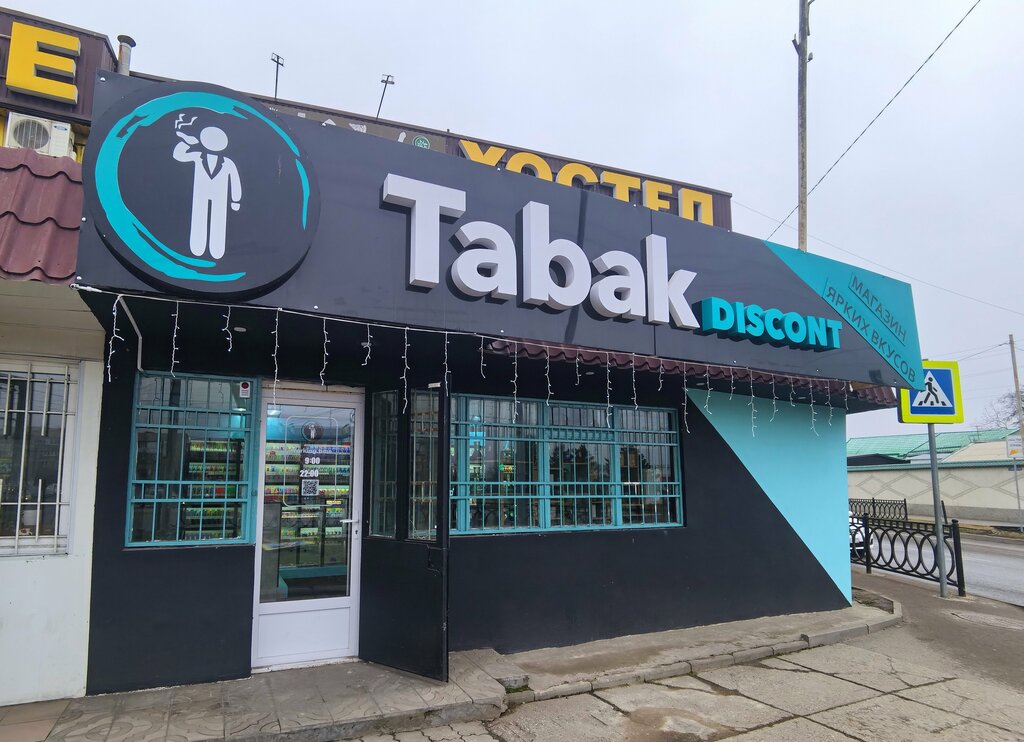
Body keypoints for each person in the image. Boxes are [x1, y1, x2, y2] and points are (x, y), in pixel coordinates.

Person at [173, 126, 241, 259]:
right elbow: (178, 155)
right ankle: (197, 248)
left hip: (220, 196)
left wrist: (235, 200)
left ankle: (217, 251)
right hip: (201, 194)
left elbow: (235, 180)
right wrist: (186, 142)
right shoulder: (198, 156)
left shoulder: (228, 162)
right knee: (199, 217)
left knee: (219, 220)